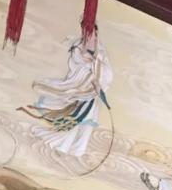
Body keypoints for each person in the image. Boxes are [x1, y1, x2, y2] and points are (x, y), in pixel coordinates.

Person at [19, 26, 113, 157]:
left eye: (94, 34)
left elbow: (105, 70)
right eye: (89, 33)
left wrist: (97, 71)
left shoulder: (100, 49)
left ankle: (78, 150)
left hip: (93, 94)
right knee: (78, 120)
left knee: (88, 123)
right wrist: (91, 75)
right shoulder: (78, 47)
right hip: (82, 90)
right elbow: (78, 66)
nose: (92, 37)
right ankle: (64, 145)